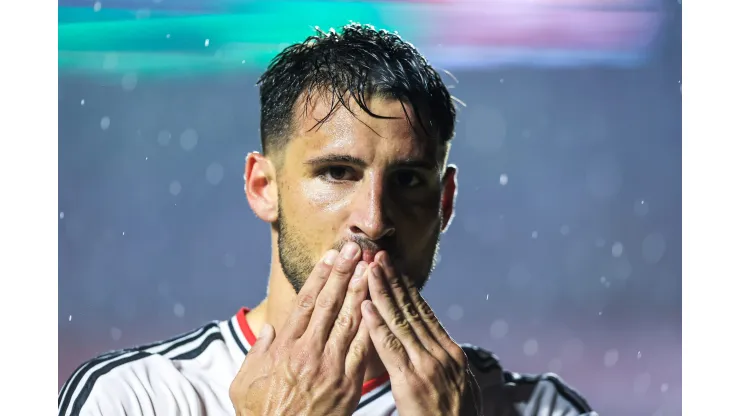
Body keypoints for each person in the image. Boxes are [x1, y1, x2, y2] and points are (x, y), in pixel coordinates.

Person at [58, 23, 596, 416]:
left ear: (445, 201)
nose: (372, 218)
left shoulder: (541, 409)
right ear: (263, 187)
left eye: (408, 179)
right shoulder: (134, 398)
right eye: (338, 172)